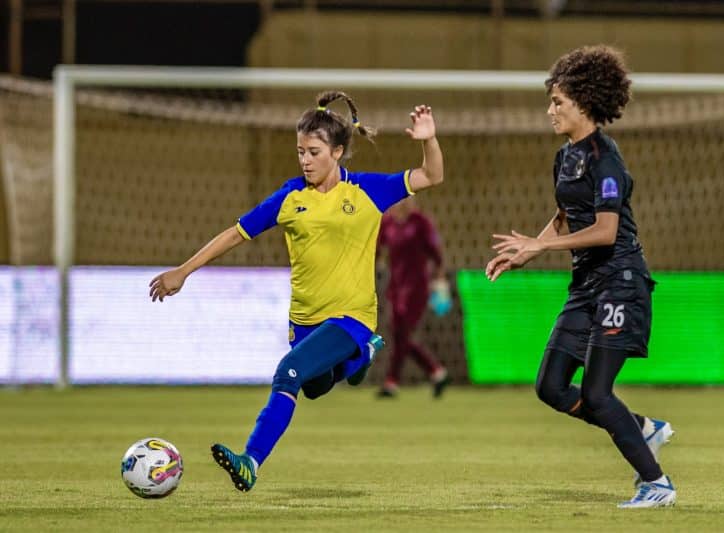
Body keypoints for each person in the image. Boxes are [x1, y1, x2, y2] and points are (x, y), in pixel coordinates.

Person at [149, 92, 443, 492]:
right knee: (316, 387)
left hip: (352, 316)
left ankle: (250, 460)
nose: (305, 160)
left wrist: (428, 139)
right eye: (300, 151)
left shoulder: (368, 191)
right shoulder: (289, 197)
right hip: (304, 320)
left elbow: (431, 176)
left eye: (314, 151)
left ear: (337, 152)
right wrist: (183, 271)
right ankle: (363, 357)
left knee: (287, 373)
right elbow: (236, 233)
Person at [485, 45, 676, 509]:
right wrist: (527, 250)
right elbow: (567, 215)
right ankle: (640, 427)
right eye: (551, 102)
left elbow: (607, 231)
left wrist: (541, 246)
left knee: (595, 391)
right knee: (550, 386)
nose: (550, 110)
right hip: (586, 288)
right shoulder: (564, 156)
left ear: (585, 104)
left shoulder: (605, 159)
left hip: (620, 282)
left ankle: (657, 484)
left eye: (558, 103)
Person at [376, 196, 451, 398]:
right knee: (400, 334)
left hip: (417, 286)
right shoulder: (388, 222)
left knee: (401, 333)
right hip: (396, 285)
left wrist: (440, 277)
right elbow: (376, 248)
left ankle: (392, 382)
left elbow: (435, 252)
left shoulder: (420, 222)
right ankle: (436, 372)